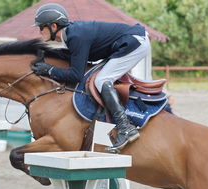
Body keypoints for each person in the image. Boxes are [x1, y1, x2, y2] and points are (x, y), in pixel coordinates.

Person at [31, 3, 151, 151]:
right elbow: (72, 57)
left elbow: (75, 75)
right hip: (128, 42)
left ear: (53, 27)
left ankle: (125, 127)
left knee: (101, 80)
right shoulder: (71, 35)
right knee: (100, 77)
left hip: (134, 43)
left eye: (41, 27)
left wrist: (49, 70)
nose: (39, 31)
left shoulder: (76, 36)